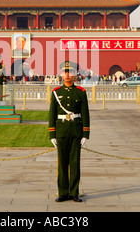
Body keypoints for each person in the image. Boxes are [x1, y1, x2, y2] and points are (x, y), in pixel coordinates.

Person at [49, 61, 90, 202]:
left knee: (75, 163)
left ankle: (74, 192)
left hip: (76, 131)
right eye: (65, 72)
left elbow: (85, 114)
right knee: (62, 164)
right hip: (61, 131)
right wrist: (52, 134)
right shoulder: (56, 93)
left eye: (70, 72)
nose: (67, 75)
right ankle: (62, 192)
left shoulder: (81, 92)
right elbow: (52, 115)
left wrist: (85, 134)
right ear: (61, 74)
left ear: (75, 74)